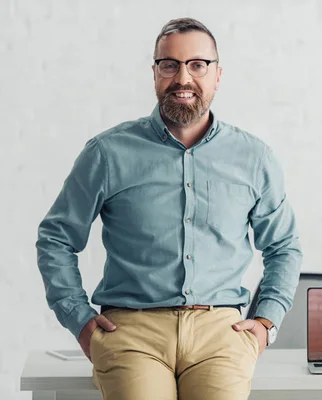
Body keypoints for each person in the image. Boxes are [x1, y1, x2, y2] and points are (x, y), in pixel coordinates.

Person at [36, 17, 302, 400]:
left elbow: (284, 247)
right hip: (131, 331)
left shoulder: (253, 158)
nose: (183, 78)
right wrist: (80, 322)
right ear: (155, 73)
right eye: (169, 64)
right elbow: (56, 238)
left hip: (221, 332)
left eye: (197, 64)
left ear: (217, 75)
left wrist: (265, 323)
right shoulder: (108, 153)